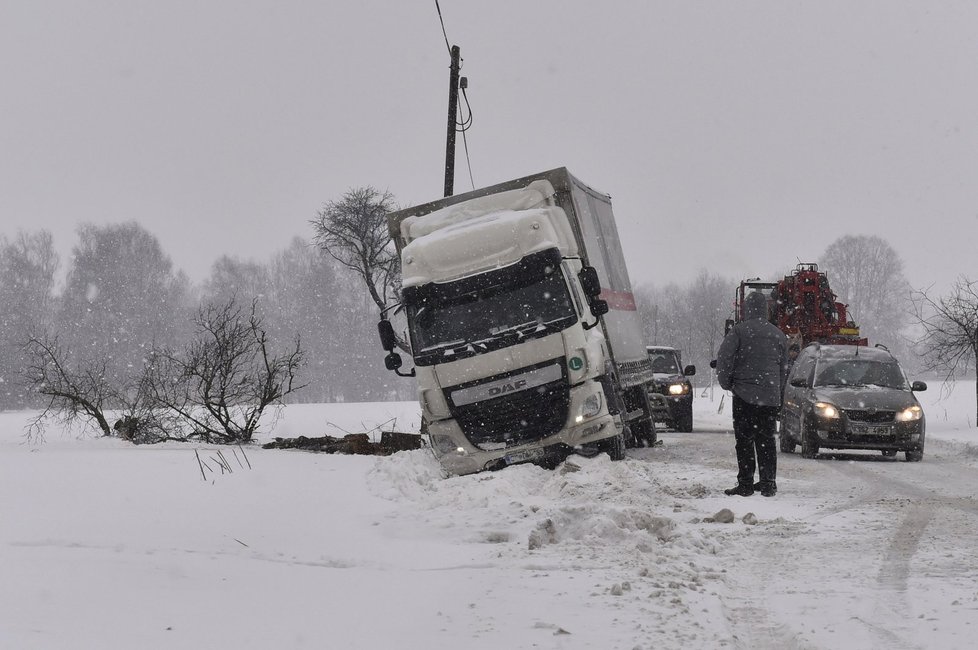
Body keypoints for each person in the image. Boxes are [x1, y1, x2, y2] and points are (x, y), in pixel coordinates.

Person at [716, 291, 789, 497]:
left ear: (747, 309)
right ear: (766, 309)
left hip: (744, 396)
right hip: (769, 398)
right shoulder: (778, 334)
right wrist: (778, 392)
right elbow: (784, 369)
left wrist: (727, 383)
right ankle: (768, 483)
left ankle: (746, 483)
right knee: (766, 440)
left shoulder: (739, 332)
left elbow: (724, 359)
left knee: (744, 440)